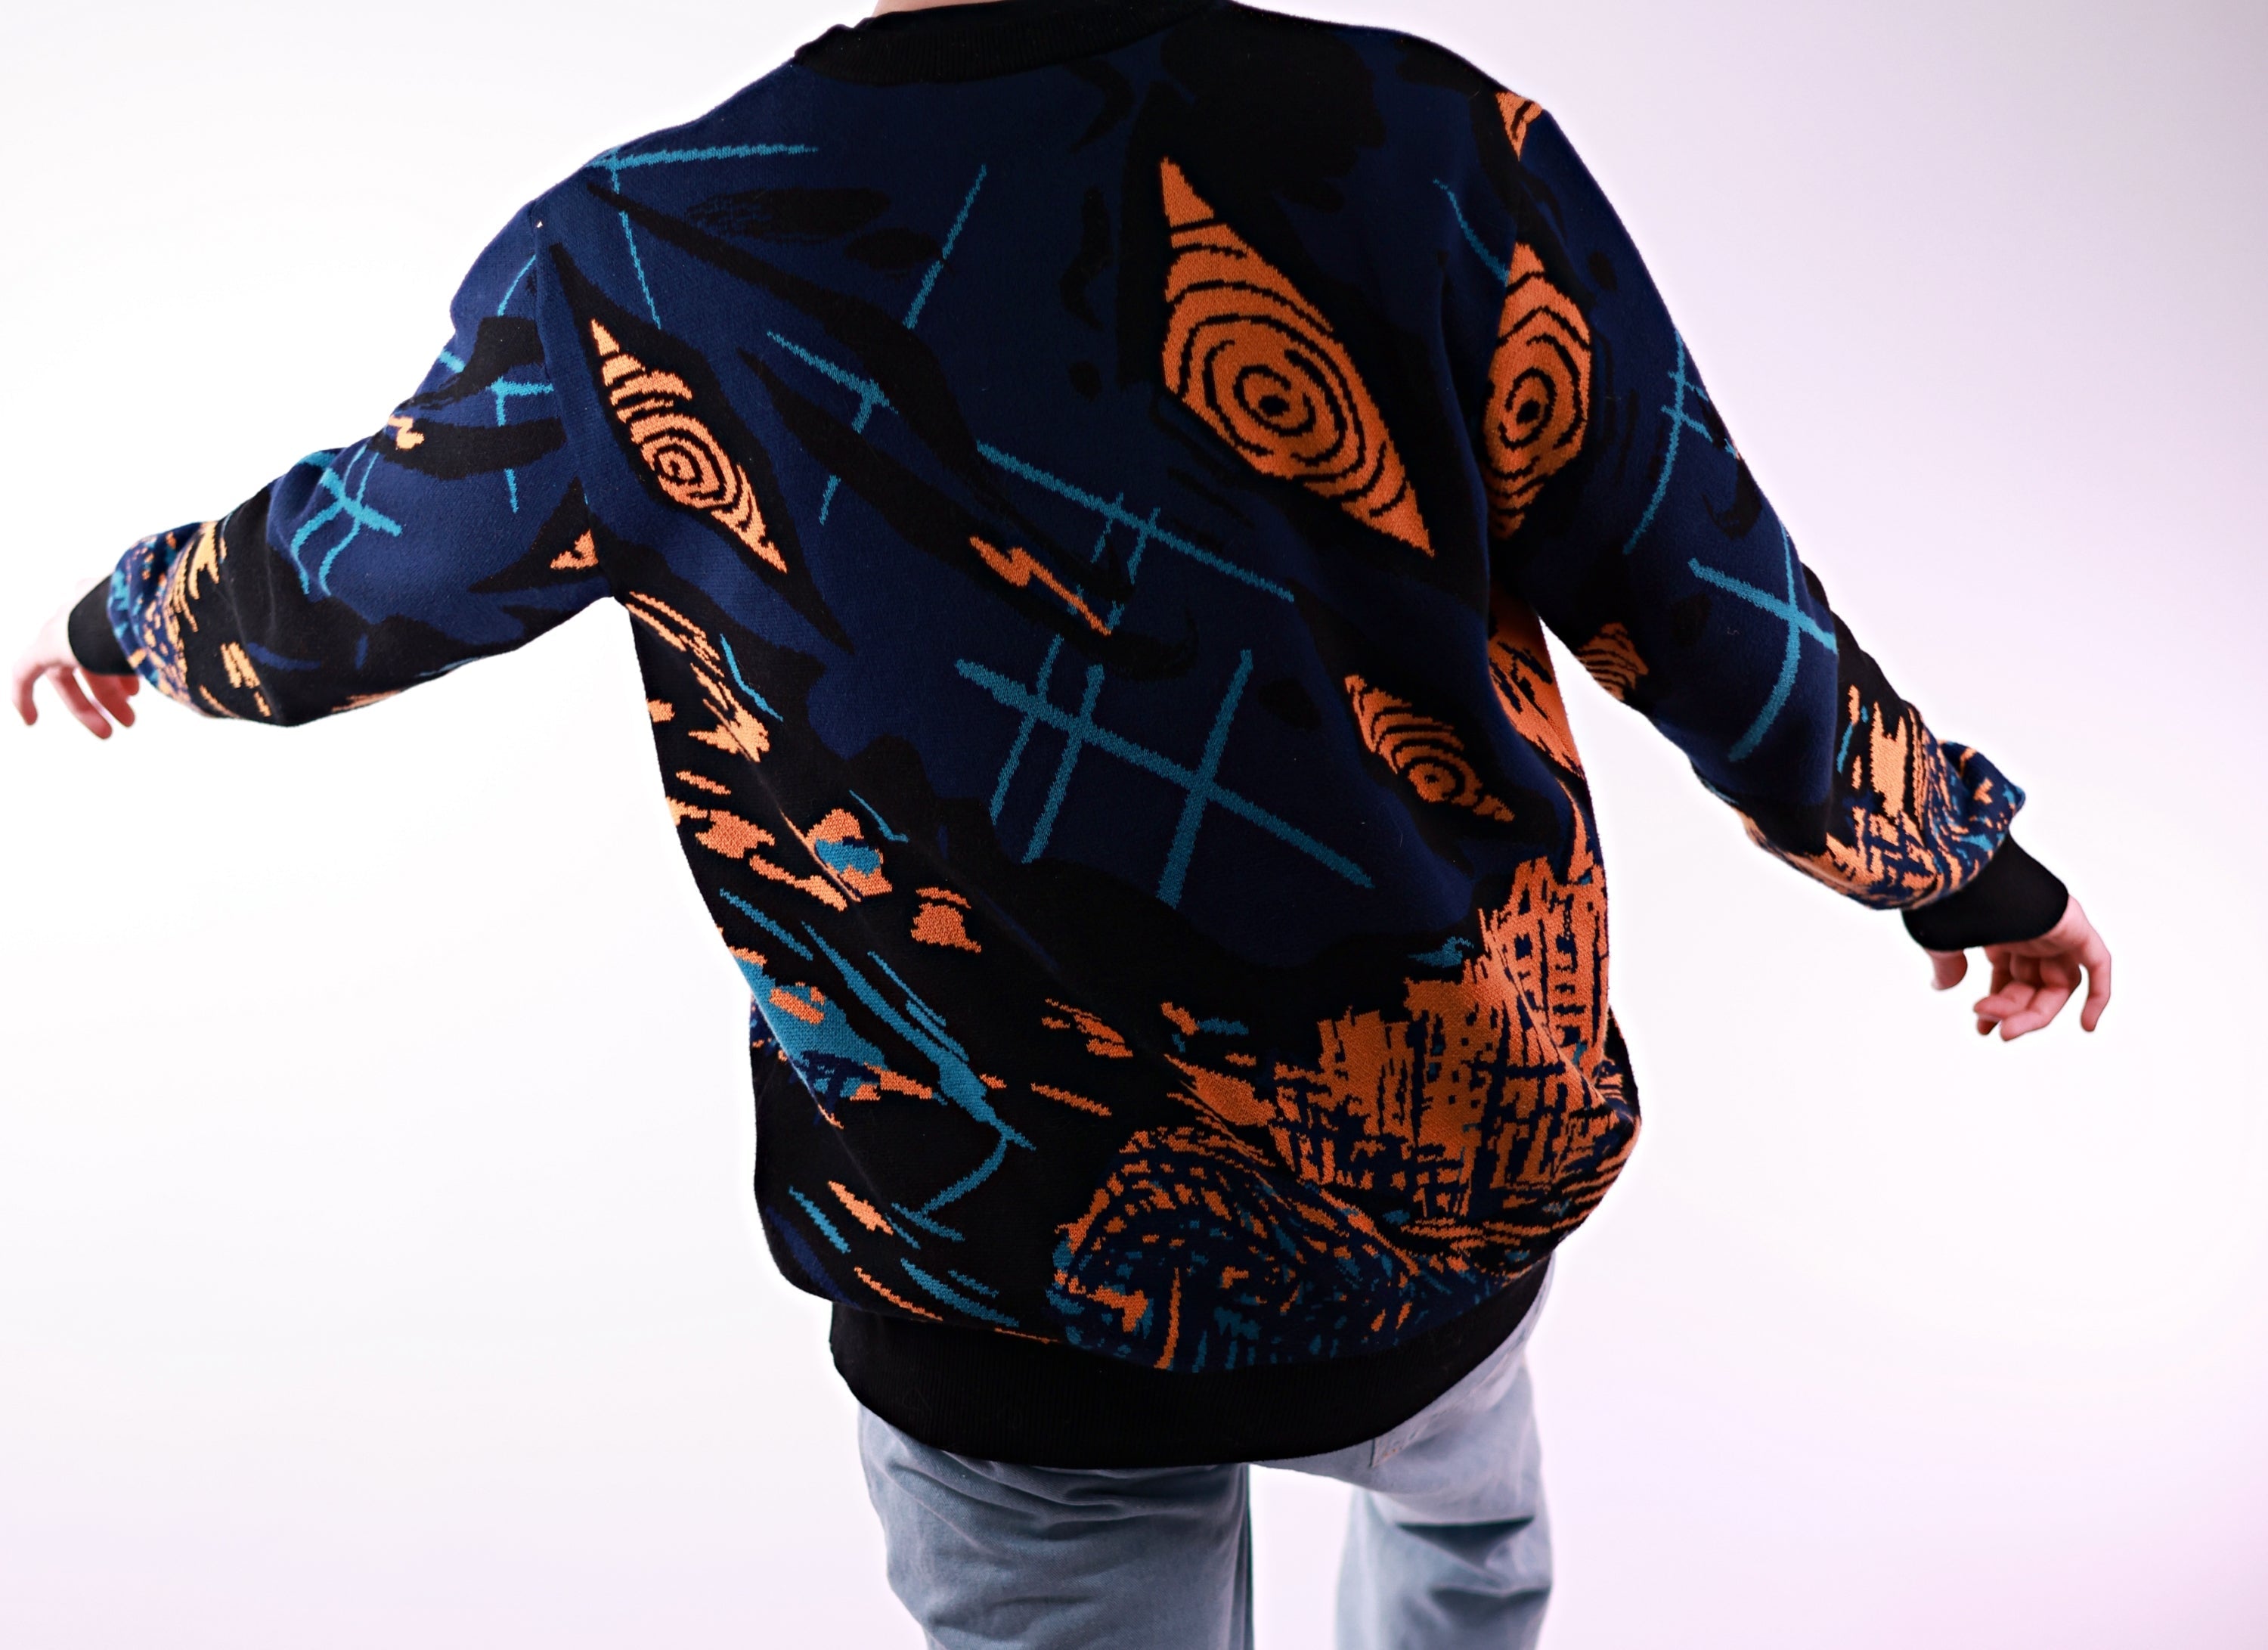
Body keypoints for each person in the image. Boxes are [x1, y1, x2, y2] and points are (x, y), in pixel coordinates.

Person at [11, 0, 2113, 1643]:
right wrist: (1964, 869)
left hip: (990, 1237)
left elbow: (345, 583)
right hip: (1437, 1176)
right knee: (1474, 1560)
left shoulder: (639, 254)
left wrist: (136, 620)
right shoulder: (1427, 140)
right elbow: (1702, 591)